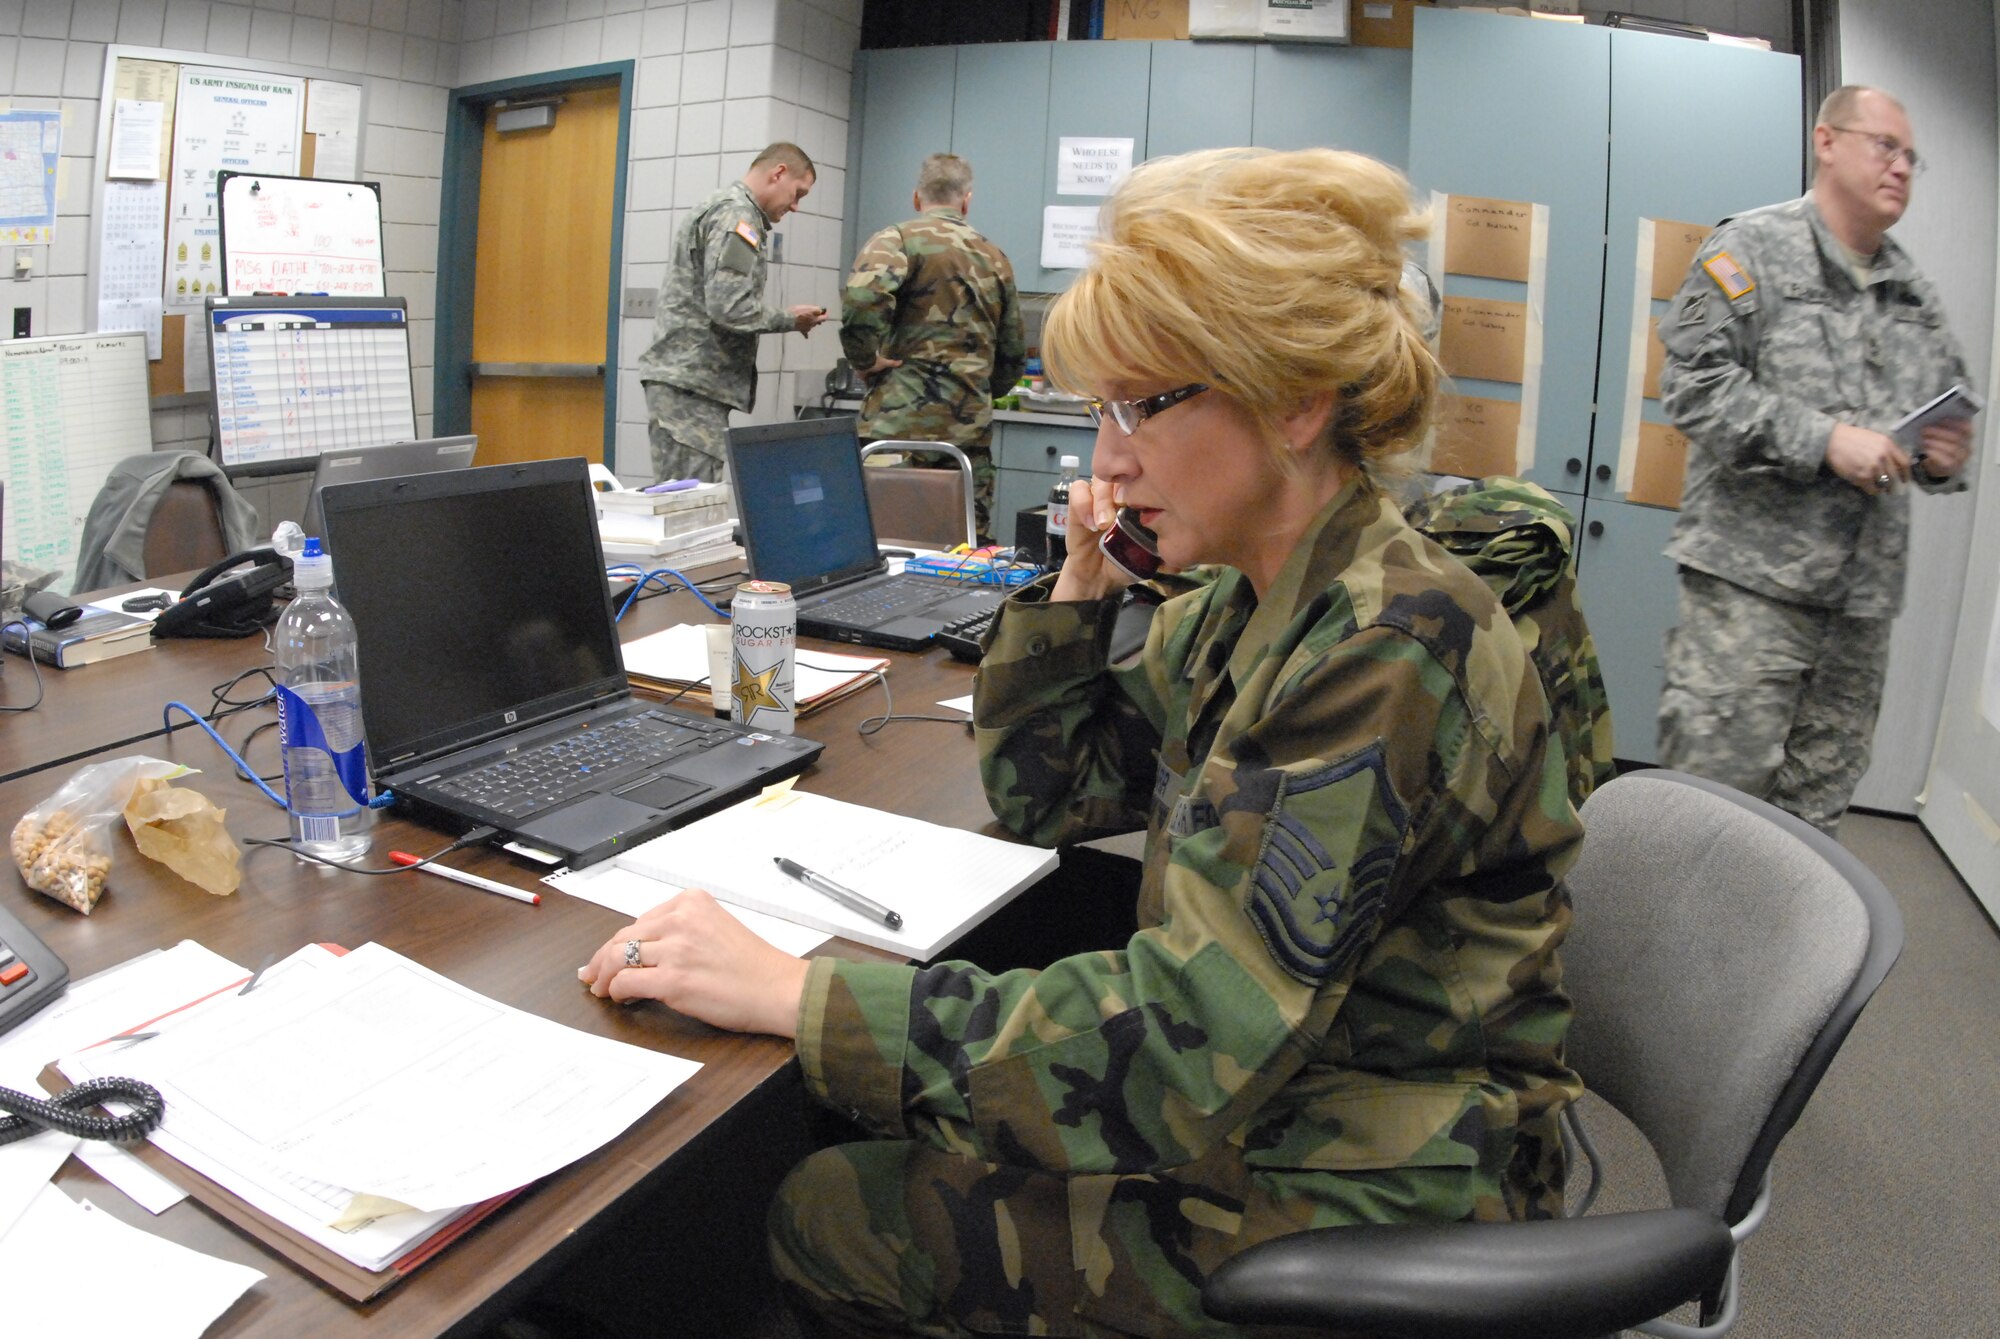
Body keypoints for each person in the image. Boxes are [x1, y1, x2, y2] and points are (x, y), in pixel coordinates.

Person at [579, 147, 1583, 1339]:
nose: (1102, 460)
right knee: (869, 1108)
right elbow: (1047, 791)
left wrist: (802, 998)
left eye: (1139, 408)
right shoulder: (1254, 593)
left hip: (1379, 1176)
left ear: (1295, 399)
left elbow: (1174, 1052)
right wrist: (1082, 576)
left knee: (827, 1205)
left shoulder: (1383, 644)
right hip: (1290, 1086)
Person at [1657, 85, 1974, 834]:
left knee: (1812, 827)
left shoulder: (1913, 293)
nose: (1901, 167)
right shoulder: (1749, 248)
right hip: (1750, 591)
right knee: (1711, 809)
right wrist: (1824, 439)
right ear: (1826, 141)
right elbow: (1692, 387)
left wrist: (1940, 459)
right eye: (1884, 146)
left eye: (1912, 158)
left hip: (1859, 610)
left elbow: (1941, 429)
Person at [840, 152, 1026, 543]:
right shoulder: (995, 258)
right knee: (963, 551)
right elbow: (1012, 354)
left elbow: (860, 301)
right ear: (966, 199)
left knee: (877, 543)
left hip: (894, 430)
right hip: (964, 434)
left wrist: (864, 360)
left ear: (916, 197)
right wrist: (976, 389)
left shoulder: (896, 239)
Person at [635, 142, 830, 483]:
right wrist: (790, 319)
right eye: (798, 193)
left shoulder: (731, 210)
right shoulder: (736, 216)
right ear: (778, 173)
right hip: (690, 388)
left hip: (691, 385)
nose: (796, 206)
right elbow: (730, 307)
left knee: (689, 506)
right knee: (689, 511)